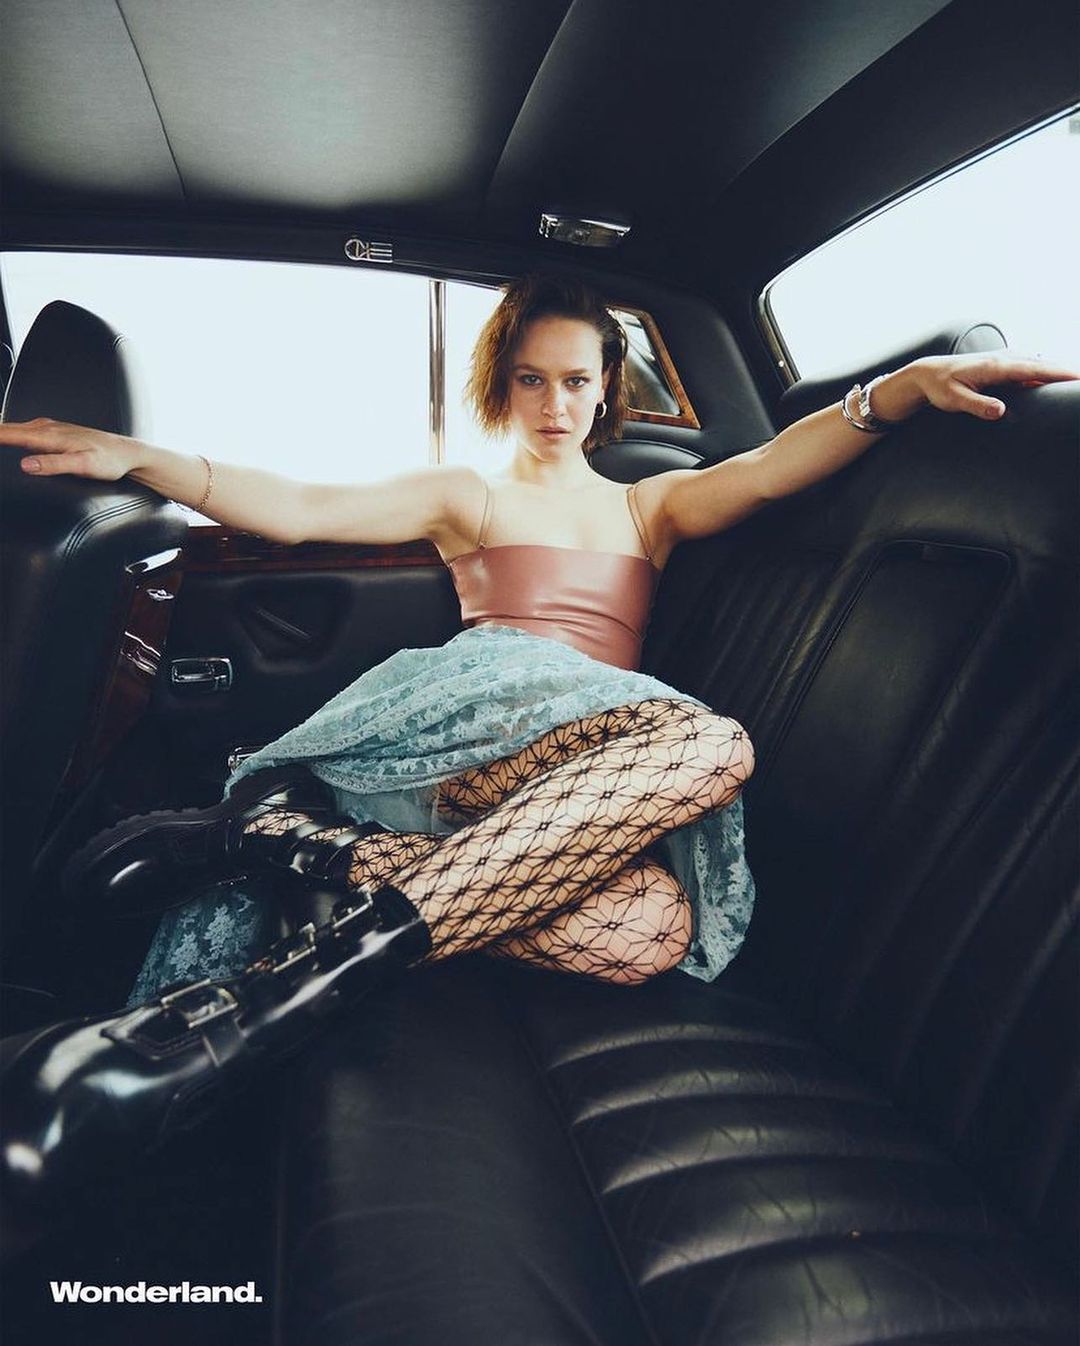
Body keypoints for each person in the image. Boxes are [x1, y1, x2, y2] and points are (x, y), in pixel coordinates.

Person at [0, 273, 1073, 1223]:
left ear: (607, 390)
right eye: (531, 380)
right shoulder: (470, 496)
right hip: (467, 740)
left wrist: (904, 389)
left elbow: (773, 467)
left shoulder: (650, 506)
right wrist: (144, 457)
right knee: (710, 745)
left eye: (574, 381)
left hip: (575, 786)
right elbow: (303, 506)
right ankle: (273, 998)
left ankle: (304, 849)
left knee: (653, 930)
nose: (554, 405)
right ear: (502, 387)